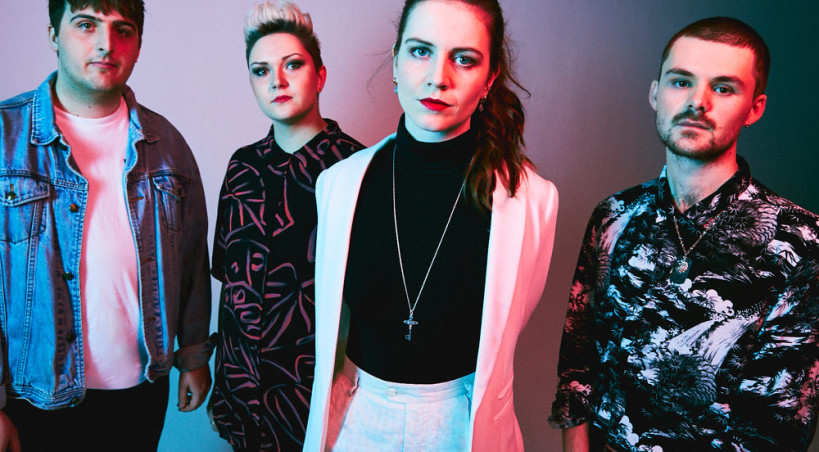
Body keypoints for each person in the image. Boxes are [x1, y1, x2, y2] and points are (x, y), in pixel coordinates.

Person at [550, 17, 819, 452]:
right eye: (681, 82)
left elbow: (782, 420)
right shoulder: (614, 215)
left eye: (723, 88)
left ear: (754, 108)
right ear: (655, 94)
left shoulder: (801, 241)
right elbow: (579, 364)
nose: (698, 102)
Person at [303, 0, 558, 450]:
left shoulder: (532, 201)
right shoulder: (338, 185)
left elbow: (510, 325)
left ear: (490, 78)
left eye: (464, 59)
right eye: (421, 51)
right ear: (396, 62)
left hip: (463, 424)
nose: (438, 77)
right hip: (358, 418)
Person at [0, 0, 212, 451]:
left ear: (138, 45)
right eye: (86, 25)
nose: (105, 44)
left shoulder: (167, 145)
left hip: (140, 394)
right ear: (54, 35)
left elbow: (193, 259)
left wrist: (193, 355)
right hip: (32, 397)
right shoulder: (6, 137)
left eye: (123, 30)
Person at [208, 2, 364, 451]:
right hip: (241, 400)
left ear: (320, 75)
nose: (276, 80)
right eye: (261, 71)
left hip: (314, 402)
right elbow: (230, 286)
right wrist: (223, 383)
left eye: (292, 64)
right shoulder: (241, 167)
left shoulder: (356, 168)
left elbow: (373, 299)